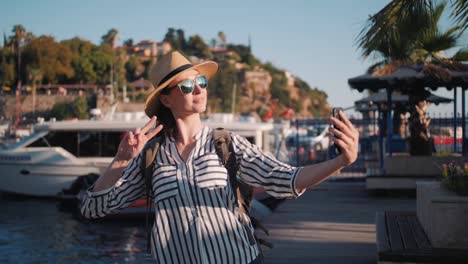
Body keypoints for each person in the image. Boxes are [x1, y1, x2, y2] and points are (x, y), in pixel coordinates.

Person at [81, 51, 359, 264]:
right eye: (187, 86)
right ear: (166, 100)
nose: (199, 89)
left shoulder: (226, 143)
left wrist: (340, 162)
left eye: (200, 82)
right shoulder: (151, 157)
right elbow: (94, 208)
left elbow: (286, 178)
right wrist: (121, 160)